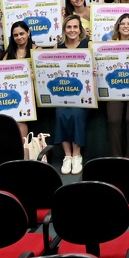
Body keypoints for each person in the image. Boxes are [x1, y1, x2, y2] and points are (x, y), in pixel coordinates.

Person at [104, 12, 129, 160]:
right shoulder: (107, 46)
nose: (126, 26)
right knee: (114, 119)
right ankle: (116, 159)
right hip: (114, 90)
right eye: (123, 23)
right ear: (118, 27)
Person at [55, 14, 90, 174]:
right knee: (60, 113)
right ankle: (67, 155)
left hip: (83, 95)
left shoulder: (87, 44)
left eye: (75, 27)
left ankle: (77, 155)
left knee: (76, 113)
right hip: (62, 94)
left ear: (80, 29)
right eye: (69, 27)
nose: (72, 30)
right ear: (64, 30)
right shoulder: (58, 46)